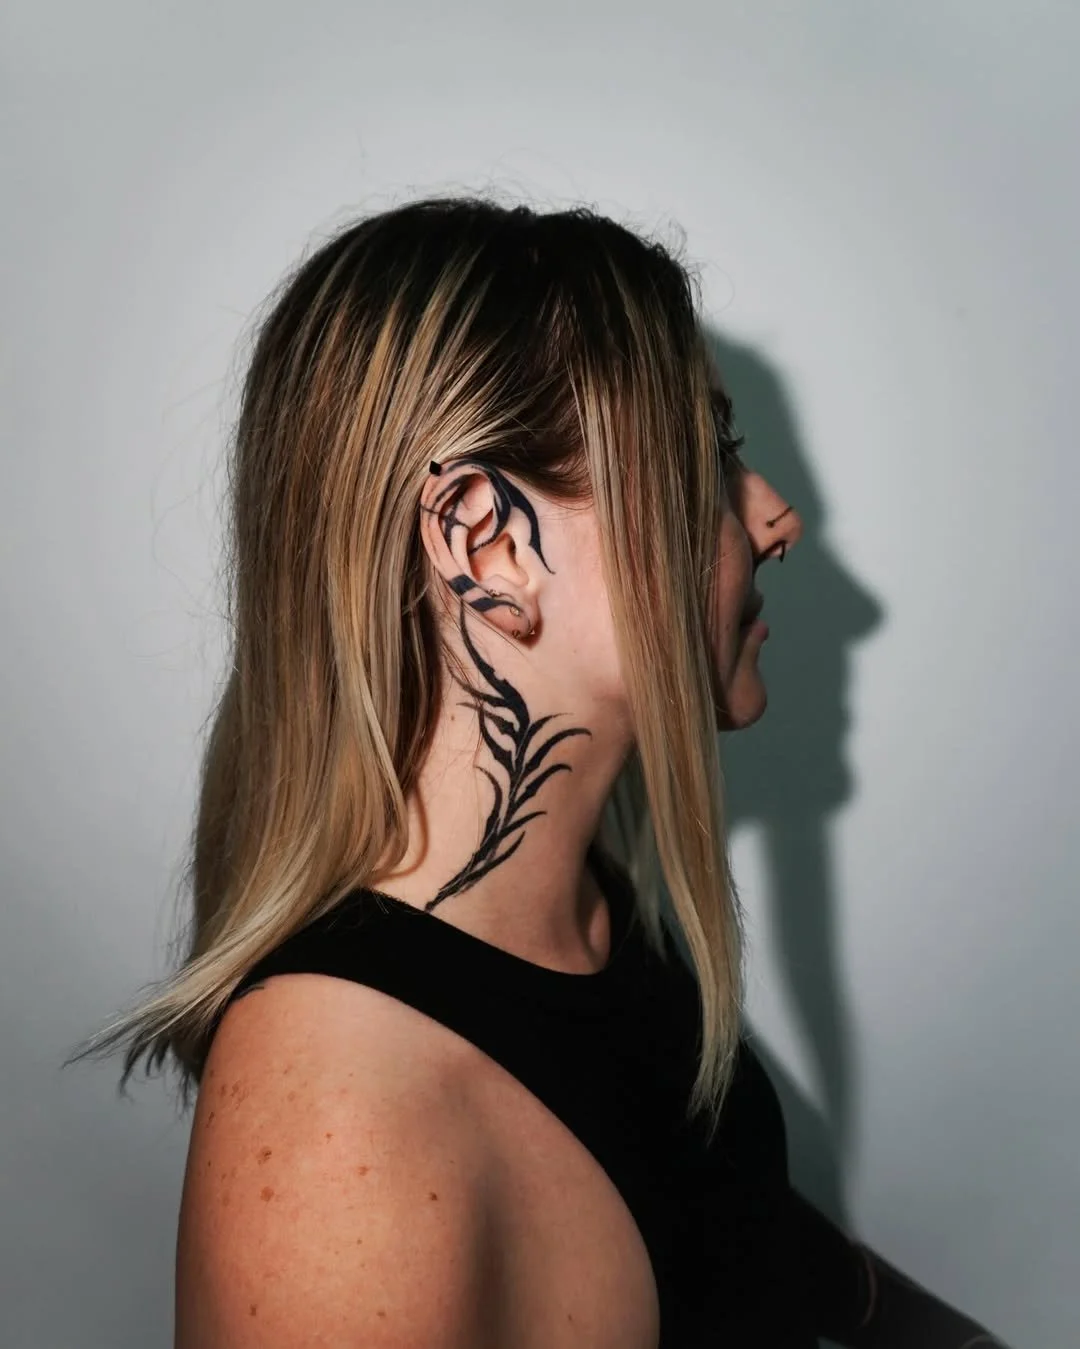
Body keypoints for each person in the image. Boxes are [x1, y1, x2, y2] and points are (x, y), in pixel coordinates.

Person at [79, 197, 1010, 1347]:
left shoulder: (593, 914)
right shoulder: (342, 1129)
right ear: (486, 542)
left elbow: (736, 1235)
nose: (774, 519)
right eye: (707, 457)